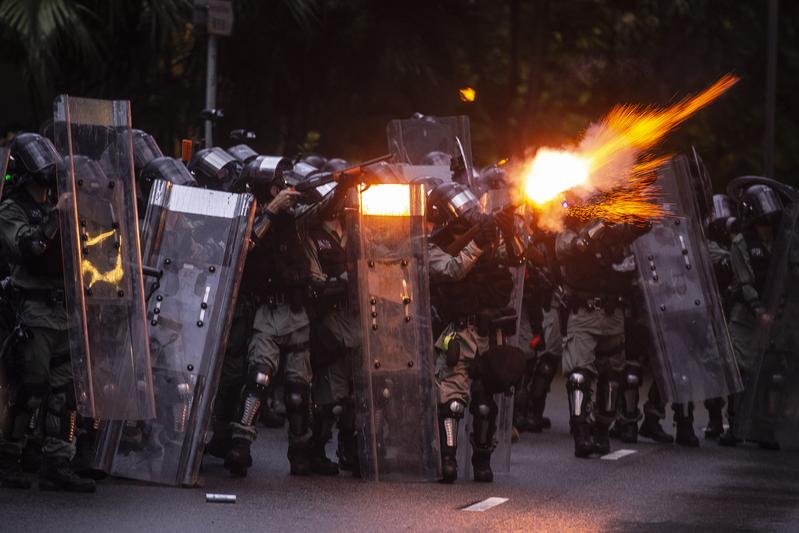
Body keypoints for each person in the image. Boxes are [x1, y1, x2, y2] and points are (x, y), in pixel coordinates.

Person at [0, 133, 94, 491]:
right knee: (32, 386)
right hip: (35, 309)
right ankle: (9, 455)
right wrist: (58, 216)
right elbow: (30, 248)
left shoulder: (61, 201)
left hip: (68, 309)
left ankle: (59, 460)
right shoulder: (12, 209)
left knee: (67, 392)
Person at [427, 181, 525, 483]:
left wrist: (506, 232)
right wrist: (478, 240)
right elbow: (453, 269)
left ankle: (482, 460)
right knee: (453, 402)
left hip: (488, 336)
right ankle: (448, 460)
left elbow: (518, 259)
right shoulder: (430, 248)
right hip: (457, 335)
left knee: (484, 404)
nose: (467, 214)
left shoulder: (486, 241)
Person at [556, 215, 646, 458]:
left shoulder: (615, 227)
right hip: (584, 312)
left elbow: (639, 227)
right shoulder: (569, 230)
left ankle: (602, 429)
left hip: (613, 313)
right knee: (579, 376)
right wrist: (593, 231)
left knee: (613, 377)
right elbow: (569, 246)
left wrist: (642, 208)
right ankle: (581, 431)